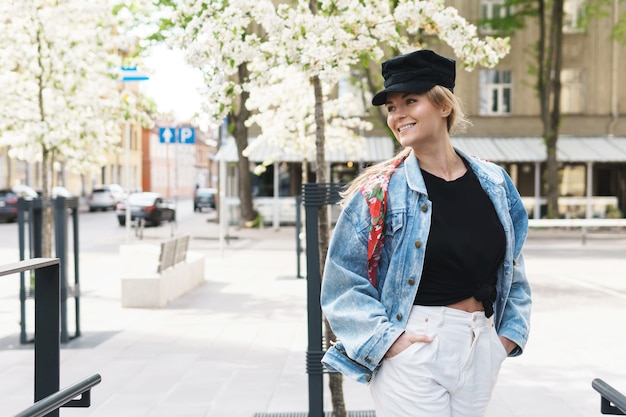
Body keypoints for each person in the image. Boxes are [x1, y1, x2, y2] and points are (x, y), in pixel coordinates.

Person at [319, 49, 532, 417]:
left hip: (480, 343)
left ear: (443, 105)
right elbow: (342, 281)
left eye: (410, 101)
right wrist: (387, 342)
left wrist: (506, 338)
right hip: (415, 342)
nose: (398, 114)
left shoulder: (495, 182)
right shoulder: (380, 190)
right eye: (390, 107)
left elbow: (514, 267)